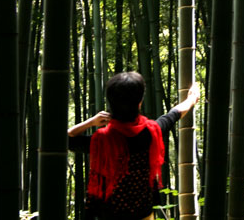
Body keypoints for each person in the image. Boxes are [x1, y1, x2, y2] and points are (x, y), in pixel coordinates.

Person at [68, 71, 200, 220]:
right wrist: (192, 98)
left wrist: (92, 121)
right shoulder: (151, 131)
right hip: (142, 212)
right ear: (139, 102)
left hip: (111, 214)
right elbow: (174, 114)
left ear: (111, 104)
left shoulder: (102, 140)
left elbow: (68, 139)